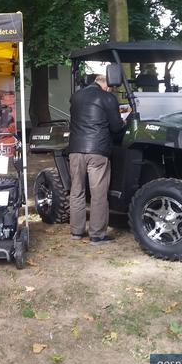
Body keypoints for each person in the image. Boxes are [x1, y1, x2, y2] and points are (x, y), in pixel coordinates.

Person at [68, 74, 124, 246]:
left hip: (76, 149)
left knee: (77, 191)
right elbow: (116, 127)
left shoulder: (76, 97)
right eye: (111, 86)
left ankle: (76, 231)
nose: (111, 89)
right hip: (97, 150)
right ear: (105, 84)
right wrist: (125, 122)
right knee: (98, 194)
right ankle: (97, 235)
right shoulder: (107, 97)